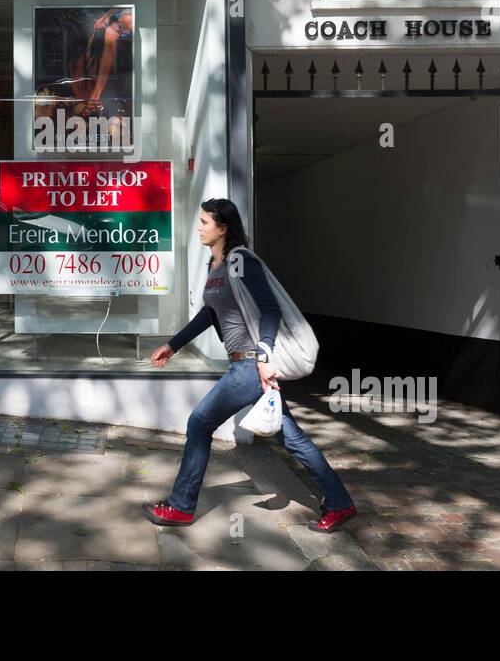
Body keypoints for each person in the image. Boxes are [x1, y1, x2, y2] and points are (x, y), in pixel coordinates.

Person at [143, 198, 358, 533]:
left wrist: (263, 355)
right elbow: (210, 313)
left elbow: (269, 309)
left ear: (223, 227)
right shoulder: (215, 267)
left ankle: (181, 506)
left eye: (204, 222)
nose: (199, 227)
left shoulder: (240, 261)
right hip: (246, 364)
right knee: (292, 438)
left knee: (199, 424)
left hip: (249, 365)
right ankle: (340, 503)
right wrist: (174, 345)